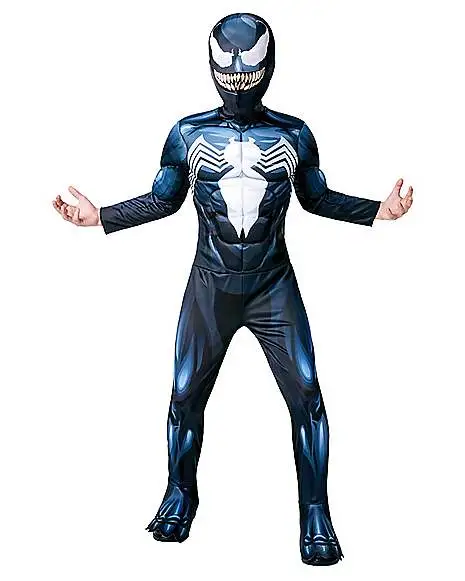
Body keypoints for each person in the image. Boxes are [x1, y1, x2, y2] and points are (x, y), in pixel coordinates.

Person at [52, 13, 413, 566]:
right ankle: (179, 494)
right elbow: (164, 200)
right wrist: (100, 216)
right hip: (211, 283)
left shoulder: (293, 134)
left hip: (272, 284)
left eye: (250, 62)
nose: (239, 74)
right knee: (184, 394)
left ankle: (315, 513)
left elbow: (317, 198)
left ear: (270, 64)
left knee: (308, 395)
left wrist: (378, 211)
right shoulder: (188, 133)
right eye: (229, 63)